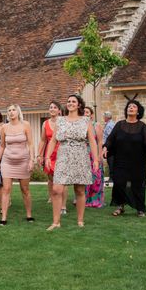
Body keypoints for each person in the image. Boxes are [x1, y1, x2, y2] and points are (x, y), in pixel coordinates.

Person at [47, 94, 100, 230]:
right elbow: (53, 140)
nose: (70, 103)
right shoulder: (60, 120)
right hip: (63, 156)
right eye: (69, 101)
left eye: (73, 101)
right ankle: (56, 222)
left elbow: (92, 141)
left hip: (80, 156)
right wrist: (47, 157)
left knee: (80, 190)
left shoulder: (85, 121)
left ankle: (80, 220)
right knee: (57, 189)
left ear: (79, 105)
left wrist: (95, 159)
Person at [102, 99, 146, 218]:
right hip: (121, 161)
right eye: (129, 106)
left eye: (134, 106)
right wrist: (105, 147)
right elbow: (110, 139)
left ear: (138, 111)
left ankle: (140, 208)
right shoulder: (119, 125)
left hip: (138, 162)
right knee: (119, 183)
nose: (131, 107)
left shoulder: (142, 126)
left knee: (137, 184)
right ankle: (120, 206)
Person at [0, 104, 34, 225]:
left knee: (25, 189)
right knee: (6, 189)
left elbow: (31, 143)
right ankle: (4, 218)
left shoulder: (25, 125)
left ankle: (29, 215)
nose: (11, 112)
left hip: (23, 160)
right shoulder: (4, 127)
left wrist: (32, 160)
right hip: (7, 161)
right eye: (9, 110)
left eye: (13, 110)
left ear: (18, 112)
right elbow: (2, 145)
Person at [37, 101, 67, 211]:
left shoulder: (64, 122)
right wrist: (39, 155)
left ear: (59, 110)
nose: (52, 109)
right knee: (50, 178)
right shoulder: (45, 124)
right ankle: (53, 197)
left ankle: (63, 206)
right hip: (49, 154)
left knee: (62, 180)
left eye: (55, 107)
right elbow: (43, 140)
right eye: (50, 107)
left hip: (62, 153)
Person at [84, 107, 105, 208]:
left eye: (87, 112)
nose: (85, 114)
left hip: (94, 153)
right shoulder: (80, 125)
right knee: (84, 177)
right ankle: (83, 199)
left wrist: (100, 155)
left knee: (96, 176)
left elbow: (100, 141)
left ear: (91, 115)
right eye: (83, 112)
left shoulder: (96, 125)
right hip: (83, 154)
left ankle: (95, 200)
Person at [103, 111, 115, 185]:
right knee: (110, 162)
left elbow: (111, 137)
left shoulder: (109, 125)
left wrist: (107, 147)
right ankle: (112, 177)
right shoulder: (109, 124)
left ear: (107, 117)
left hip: (110, 147)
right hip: (109, 146)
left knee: (111, 162)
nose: (103, 118)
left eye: (104, 116)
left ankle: (112, 178)